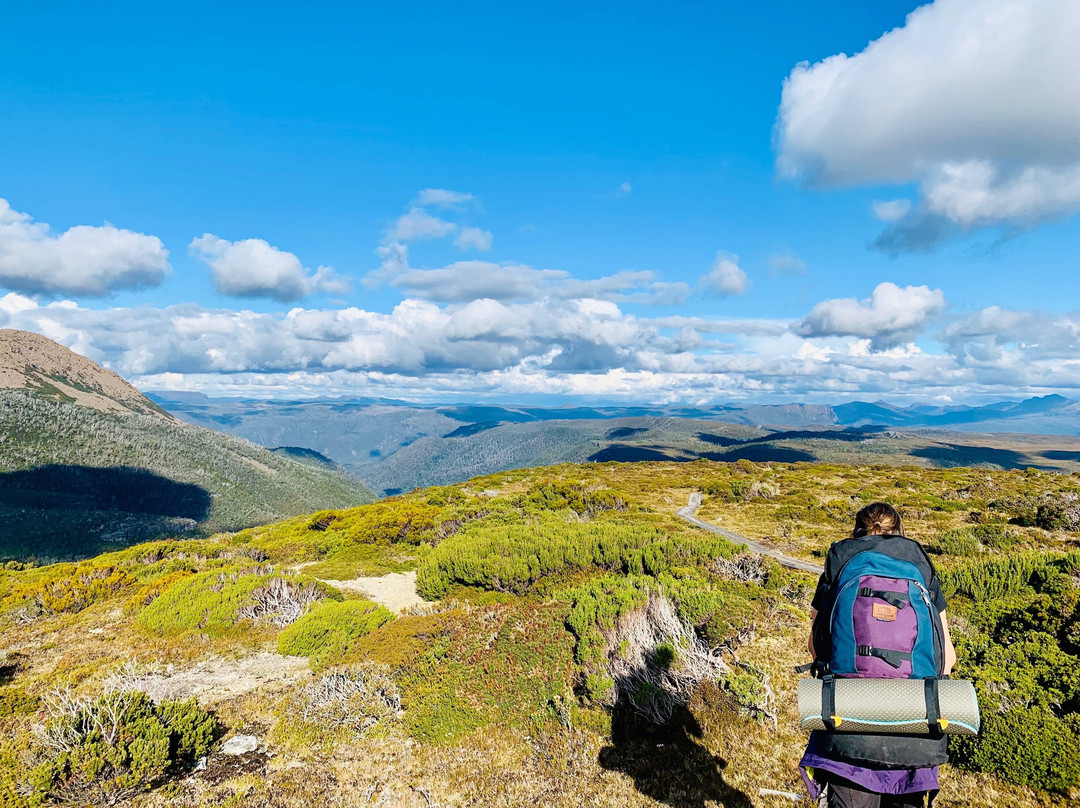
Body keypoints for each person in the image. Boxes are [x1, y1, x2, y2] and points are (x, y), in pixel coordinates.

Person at [800, 502, 957, 808]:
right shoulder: (920, 564)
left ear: (857, 530)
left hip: (847, 724)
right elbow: (946, 658)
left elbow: (816, 647)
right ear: (900, 531)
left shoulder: (841, 558)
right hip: (914, 726)